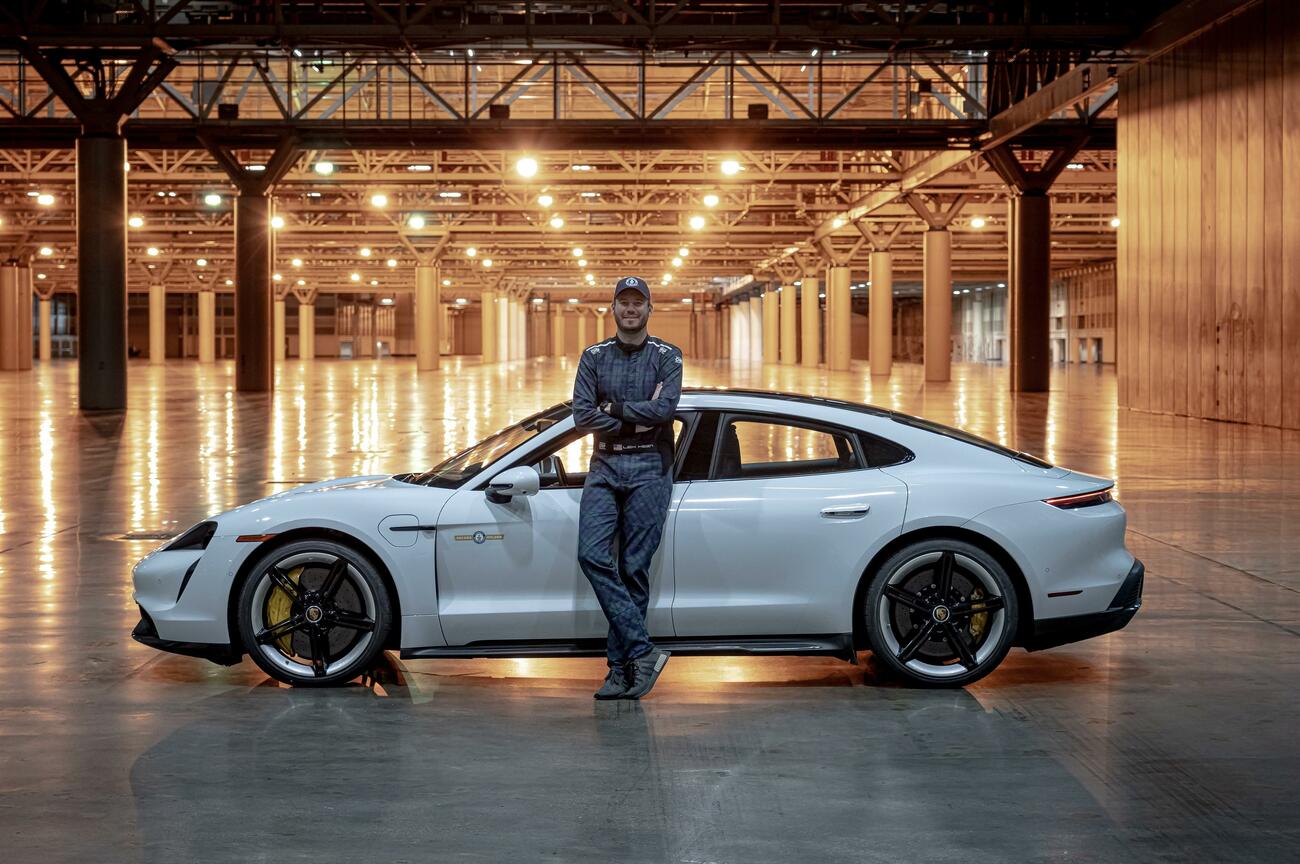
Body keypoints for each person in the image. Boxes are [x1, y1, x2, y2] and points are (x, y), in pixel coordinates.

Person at [572, 276, 683, 700]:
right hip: (604, 465)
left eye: (638, 302)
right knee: (592, 556)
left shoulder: (667, 355)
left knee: (634, 569)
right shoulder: (594, 356)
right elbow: (582, 416)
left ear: (649, 309)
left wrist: (612, 408)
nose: (631, 309)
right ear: (613, 309)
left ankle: (620, 671)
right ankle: (643, 651)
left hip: (649, 467)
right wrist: (637, 416)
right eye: (624, 302)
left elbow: (664, 410)